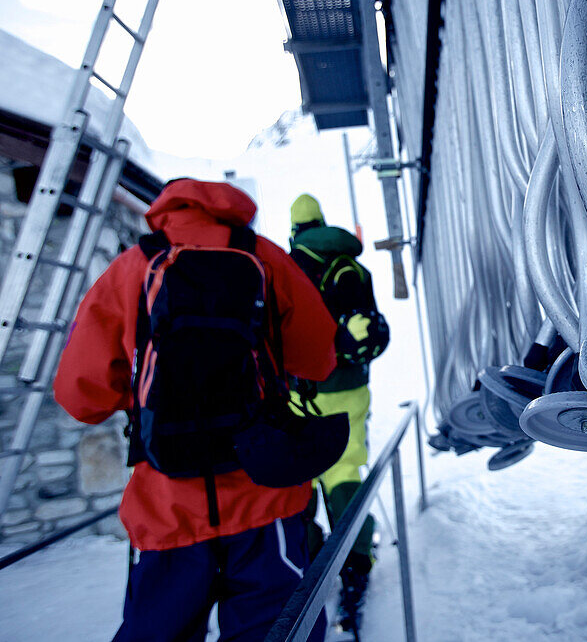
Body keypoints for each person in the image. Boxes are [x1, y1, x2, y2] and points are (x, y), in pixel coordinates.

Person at [54, 179, 337, 642]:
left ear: (162, 209)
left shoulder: (132, 268)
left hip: (167, 506)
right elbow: (319, 359)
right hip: (265, 492)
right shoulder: (266, 257)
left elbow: (80, 397)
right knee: (280, 631)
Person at [288, 193, 387, 637]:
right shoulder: (351, 265)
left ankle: (307, 562)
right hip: (350, 390)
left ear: (295, 229)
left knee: (302, 479)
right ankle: (356, 560)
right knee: (345, 473)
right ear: (322, 222)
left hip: (300, 394)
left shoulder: (289, 267)